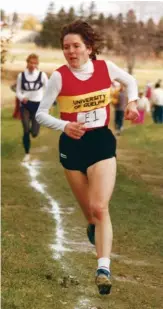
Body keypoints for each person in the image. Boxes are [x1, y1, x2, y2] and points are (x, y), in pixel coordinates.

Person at [36, 20, 139, 295]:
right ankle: (94, 228)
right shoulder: (58, 76)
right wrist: (64, 125)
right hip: (72, 147)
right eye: (65, 47)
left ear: (88, 47)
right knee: (91, 216)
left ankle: (103, 269)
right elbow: (40, 113)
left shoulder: (105, 68)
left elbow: (129, 81)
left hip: (101, 141)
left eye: (76, 46)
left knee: (99, 207)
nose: (70, 51)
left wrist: (132, 102)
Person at [16, 53, 48, 162]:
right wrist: (22, 98)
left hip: (37, 105)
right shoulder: (21, 75)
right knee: (25, 129)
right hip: (25, 105)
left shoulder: (42, 75)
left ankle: (33, 130)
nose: (32, 65)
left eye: (35, 63)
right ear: (27, 63)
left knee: (34, 133)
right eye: (31, 62)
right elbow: (18, 91)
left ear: (37, 64)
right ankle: (27, 153)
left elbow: (47, 89)